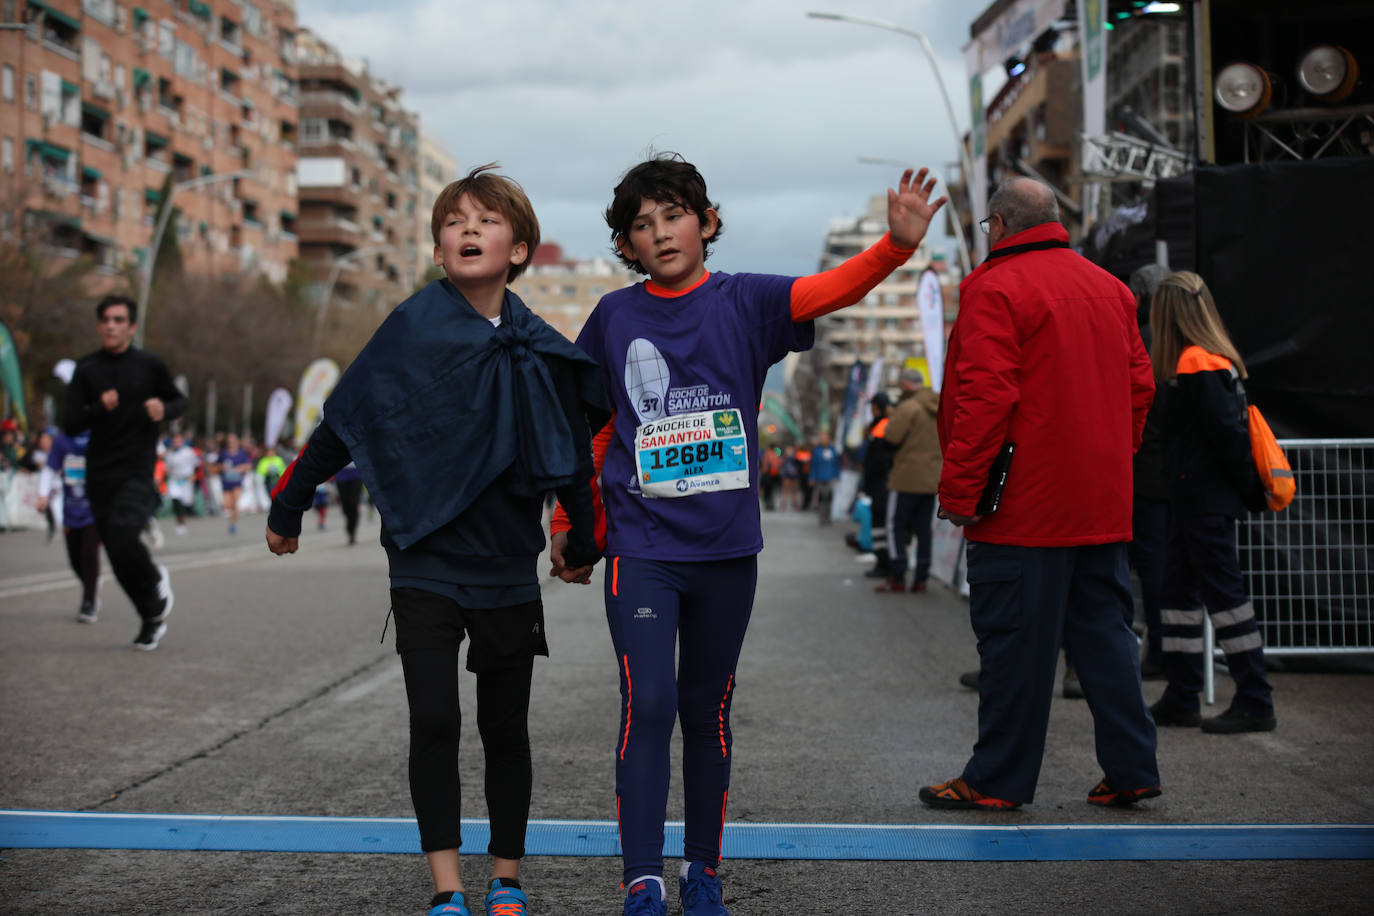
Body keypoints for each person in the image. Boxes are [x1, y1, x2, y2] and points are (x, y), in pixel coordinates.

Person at [550, 154, 944, 915]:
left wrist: (896, 247)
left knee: (707, 711)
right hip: (643, 550)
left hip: (727, 553)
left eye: (673, 215)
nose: (660, 233)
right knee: (650, 703)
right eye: (642, 225)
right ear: (627, 246)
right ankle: (642, 882)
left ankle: (704, 876)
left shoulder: (748, 302)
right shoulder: (613, 317)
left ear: (708, 222)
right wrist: (571, 523)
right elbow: (592, 429)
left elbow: (828, 289)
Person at [266, 164, 608, 916]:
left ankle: (507, 877)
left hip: (506, 565)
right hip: (423, 555)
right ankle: (448, 889)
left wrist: (581, 540)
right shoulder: (412, 327)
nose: (468, 231)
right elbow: (348, 419)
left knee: (504, 726)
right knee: (434, 719)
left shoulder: (537, 346)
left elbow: (570, 456)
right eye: (454, 222)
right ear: (439, 245)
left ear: (518, 248)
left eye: (485, 221)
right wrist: (289, 502)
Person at [920, 177, 1160, 811]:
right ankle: (1133, 769)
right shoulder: (1110, 288)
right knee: (1107, 638)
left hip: (1022, 506)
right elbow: (1141, 385)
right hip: (1100, 501)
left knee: (1013, 647)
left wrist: (962, 491)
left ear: (998, 225)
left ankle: (996, 779)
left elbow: (986, 398)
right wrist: (1114, 455)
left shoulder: (994, 288)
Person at [1146, 270, 1277, 734]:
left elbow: (1228, 438)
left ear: (1169, 314)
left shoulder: (1196, 363)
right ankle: (1183, 694)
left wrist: (1246, 491)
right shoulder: (1207, 360)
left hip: (1201, 498)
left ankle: (1254, 698)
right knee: (1179, 594)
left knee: (1223, 597)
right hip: (1197, 498)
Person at [63, 295, 184, 651]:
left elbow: (179, 401)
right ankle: (150, 616)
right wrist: (99, 407)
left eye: (118, 320)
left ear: (131, 326)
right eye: (105, 319)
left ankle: (153, 581)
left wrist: (164, 407)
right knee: (116, 556)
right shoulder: (86, 369)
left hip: (137, 467)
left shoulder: (150, 364)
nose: (110, 325)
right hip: (99, 471)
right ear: (99, 324)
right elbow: (69, 424)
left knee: (124, 537)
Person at [1127, 264, 1172, 678]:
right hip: (1179, 474)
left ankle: (1159, 653)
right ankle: (1172, 653)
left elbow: (1137, 402)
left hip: (1145, 472)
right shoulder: (1189, 340)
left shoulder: (1143, 340)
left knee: (1149, 569)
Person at [875, 368, 940, 594]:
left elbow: (891, 439)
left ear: (907, 384)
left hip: (905, 477)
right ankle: (921, 578)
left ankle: (898, 575)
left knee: (896, 526)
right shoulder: (938, 405)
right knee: (924, 530)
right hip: (931, 478)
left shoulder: (908, 407)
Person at [37, 429, 102, 622]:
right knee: (75, 560)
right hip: (71, 510)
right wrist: (42, 495)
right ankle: (91, 585)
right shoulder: (62, 441)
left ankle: (89, 601)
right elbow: (49, 468)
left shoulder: (100, 435)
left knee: (89, 552)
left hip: (95, 509)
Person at [860, 392, 894, 579]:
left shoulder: (882, 426)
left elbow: (879, 459)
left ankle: (884, 563)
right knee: (880, 525)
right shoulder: (879, 425)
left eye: (873, 407)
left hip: (881, 485)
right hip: (880, 484)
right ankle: (882, 561)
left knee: (880, 524)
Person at [164, 432, 201, 535]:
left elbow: (197, 464)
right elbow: (167, 468)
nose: (177, 442)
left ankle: (185, 518)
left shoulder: (189, 452)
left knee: (186, 502)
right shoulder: (170, 453)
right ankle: (180, 522)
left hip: (186, 480)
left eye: (179, 440)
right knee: (175, 500)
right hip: (175, 480)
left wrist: (194, 475)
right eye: (175, 441)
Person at [216, 433, 252, 534]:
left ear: (237, 442)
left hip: (237, 482)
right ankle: (232, 518)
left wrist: (242, 468)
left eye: (233, 442)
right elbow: (216, 466)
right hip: (226, 482)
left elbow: (249, 466)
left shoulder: (242, 453)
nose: (232, 444)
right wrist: (221, 467)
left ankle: (233, 524)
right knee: (227, 505)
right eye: (229, 442)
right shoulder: (223, 453)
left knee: (235, 504)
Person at [807, 431, 841, 525]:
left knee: (829, 497)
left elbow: (836, 464)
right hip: (820, 477)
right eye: (822, 438)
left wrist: (837, 476)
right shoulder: (816, 451)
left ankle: (828, 517)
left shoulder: (832, 450)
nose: (823, 439)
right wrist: (812, 477)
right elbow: (813, 465)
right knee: (822, 497)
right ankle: (822, 517)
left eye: (825, 437)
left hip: (830, 477)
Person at [333, 461, 364, 545]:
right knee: (345, 505)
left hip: (356, 472)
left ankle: (352, 532)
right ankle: (349, 525)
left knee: (353, 502)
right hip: (341, 473)